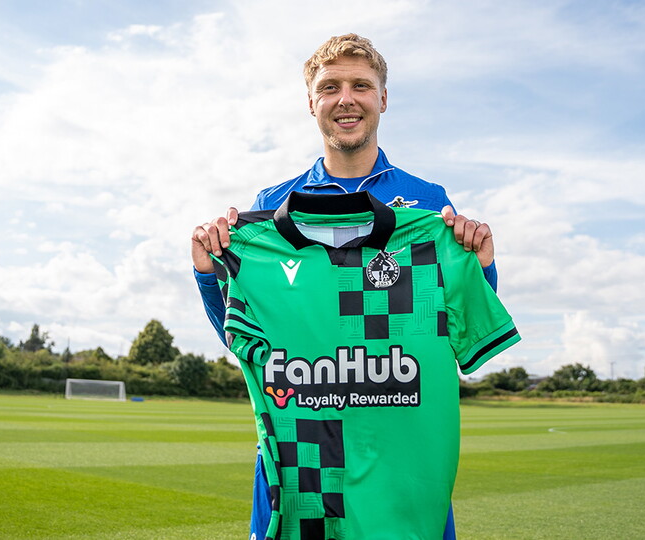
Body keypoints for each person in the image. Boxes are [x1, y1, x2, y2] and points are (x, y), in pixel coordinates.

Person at [191, 33, 497, 540]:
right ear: (311, 102)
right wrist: (208, 273)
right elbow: (244, 338)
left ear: (382, 98)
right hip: (305, 460)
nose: (345, 99)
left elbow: (463, 335)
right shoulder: (271, 206)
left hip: (400, 461)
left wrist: (480, 266)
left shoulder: (428, 204)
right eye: (330, 87)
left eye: (361, 85)